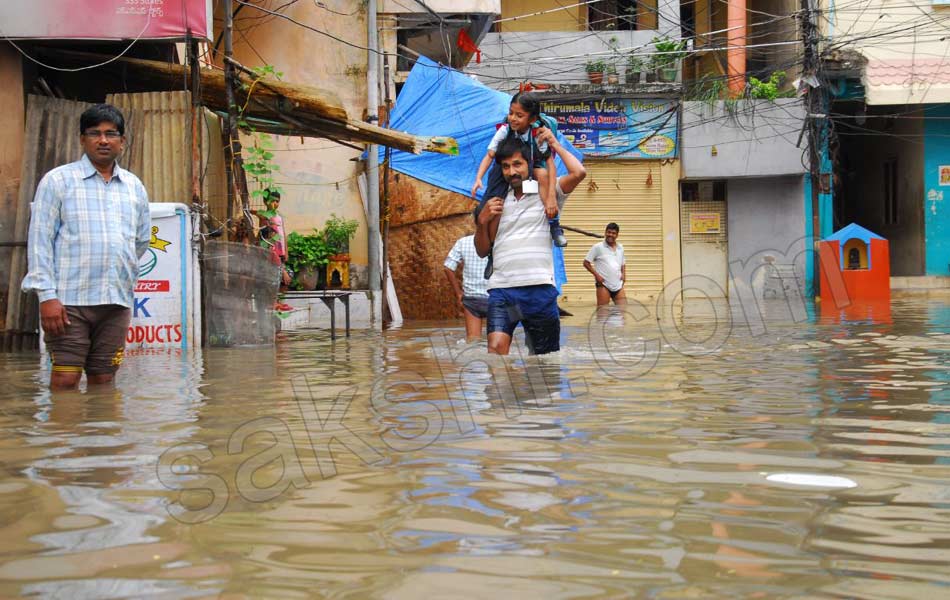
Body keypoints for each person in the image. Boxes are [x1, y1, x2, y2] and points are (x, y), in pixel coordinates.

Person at [22, 104, 151, 391]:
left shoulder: (134, 186)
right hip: (69, 302)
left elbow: (140, 241)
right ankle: (63, 435)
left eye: (110, 134)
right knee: (65, 380)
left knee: (104, 381)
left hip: (116, 302)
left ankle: (100, 434)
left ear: (122, 141)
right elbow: (40, 241)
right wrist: (47, 296)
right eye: (94, 133)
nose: (103, 140)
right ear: (82, 139)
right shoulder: (58, 181)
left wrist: (118, 266)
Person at [474, 136, 585, 355]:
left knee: (542, 360)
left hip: (539, 291)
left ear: (529, 164)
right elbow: (482, 250)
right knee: (496, 350)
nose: (511, 172)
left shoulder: (546, 194)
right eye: (505, 166)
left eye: (517, 164)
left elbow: (579, 173)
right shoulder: (495, 200)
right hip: (503, 291)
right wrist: (481, 222)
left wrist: (554, 144)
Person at [471, 92, 566, 251]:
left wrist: (551, 198)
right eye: (511, 113)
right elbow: (490, 155)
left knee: (542, 174)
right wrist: (479, 178)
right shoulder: (504, 130)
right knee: (496, 205)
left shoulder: (538, 134)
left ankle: (554, 225)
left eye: (519, 115)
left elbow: (550, 162)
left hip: (531, 169)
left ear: (532, 119)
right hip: (504, 171)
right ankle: (492, 250)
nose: (513, 118)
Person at [443, 234, 490, 341]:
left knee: (473, 341)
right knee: (498, 343)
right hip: (496, 298)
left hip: (471, 300)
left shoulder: (463, 242)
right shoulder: (500, 240)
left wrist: (459, 293)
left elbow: (448, 268)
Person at [584, 223, 627, 306]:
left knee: (623, 310)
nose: (610, 235)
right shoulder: (598, 247)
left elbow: (623, 263)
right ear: (605, 233)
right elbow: (586, 263)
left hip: (618, 284)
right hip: (604, 285)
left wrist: (623, 274)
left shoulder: (620, 247)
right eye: (608, 232)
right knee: (603, 312)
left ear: (617, 235)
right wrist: (597, 276)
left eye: (613, 233)